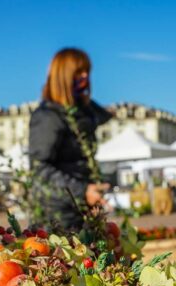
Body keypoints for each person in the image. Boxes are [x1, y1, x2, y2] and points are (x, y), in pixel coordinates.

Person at [28, 48, 111, 230]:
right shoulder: (48, 117)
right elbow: (39, 169)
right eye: (79, 72)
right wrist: (82, 191)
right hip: (56, 216)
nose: (85, 77)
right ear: (64, 76)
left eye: (87, 72)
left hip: (79, 209)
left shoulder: (83, 113)